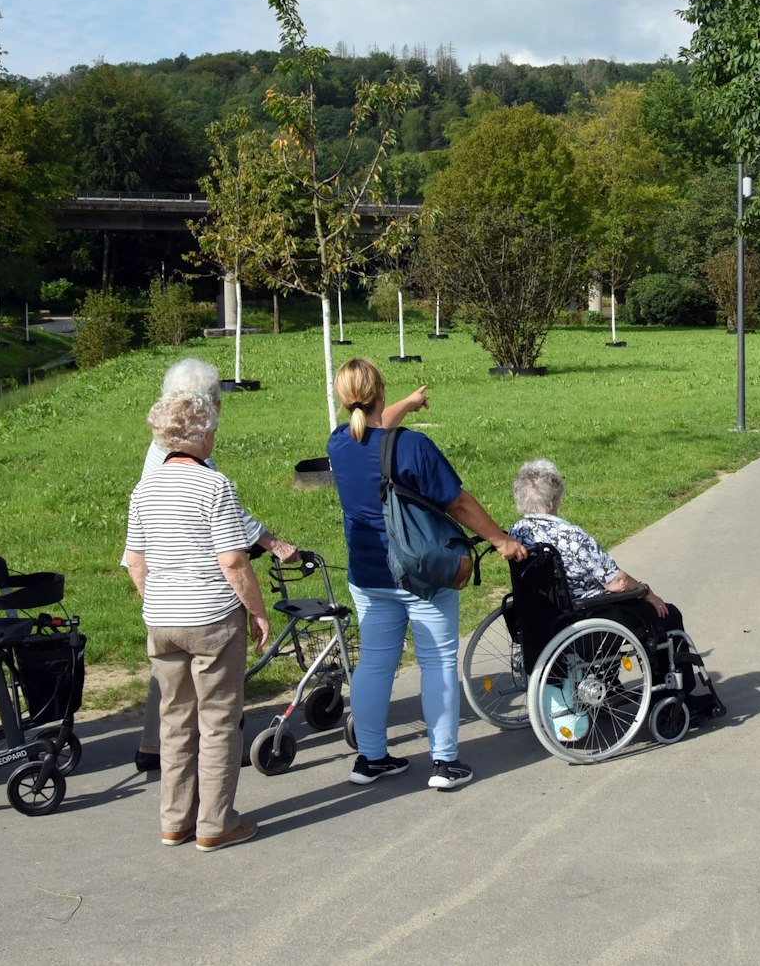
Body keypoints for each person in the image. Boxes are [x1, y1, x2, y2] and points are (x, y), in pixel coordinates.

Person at [326, 358, 525, 792]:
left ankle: (371, 758)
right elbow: (459, 504)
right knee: (436, 661)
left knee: (376, 663)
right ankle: (445, 762)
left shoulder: (339, 443)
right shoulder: (413, 448)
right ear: (379, 390)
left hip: (368, 575)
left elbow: (376, 431)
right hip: (419, 573)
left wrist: (409, 404)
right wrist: (501, 540)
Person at [124, 390, 295, 852]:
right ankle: (216, 824)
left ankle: (174, 820)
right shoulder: (213, 486)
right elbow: (234, 562)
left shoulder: (144, 489)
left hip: (161, 619)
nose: (215, 436)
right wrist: (258, 612)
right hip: (211, 619)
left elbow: (135, 563)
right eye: (213, 428)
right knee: (218, 721)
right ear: (198, 435)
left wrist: (158, 602)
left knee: (175, 720)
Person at [504, 457, 689, 640]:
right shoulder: (570, 535)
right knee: (668, 614)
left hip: (540, 615)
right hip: (585, 614)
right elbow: (617, 582)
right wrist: (647, 592)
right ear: (556, 496)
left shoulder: (517, 531)